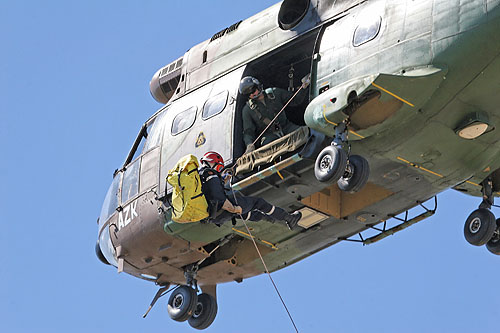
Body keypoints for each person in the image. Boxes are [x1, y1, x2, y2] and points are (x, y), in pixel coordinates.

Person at [199, 151, 302, 229]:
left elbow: (210, 192)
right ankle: (289, 218)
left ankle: (268, 217)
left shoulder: (200, 176)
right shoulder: (210, 174)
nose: (218, 170)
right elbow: (219, 197)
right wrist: (234, 208)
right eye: (219, 167)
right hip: (221, 209)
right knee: (258, 202)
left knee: (249, 213)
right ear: (212, 162)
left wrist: (223, 180)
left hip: (213, 216)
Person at [239, 75, 310, 153]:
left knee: (307, 133)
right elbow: (248, 131)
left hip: (287, 127)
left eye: (252, 91)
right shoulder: (247, 110)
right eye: (248, 94)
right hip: (269, 136)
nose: (252, 94)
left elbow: (295, 100)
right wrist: (249, 145)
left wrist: (304, 87)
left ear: (257, 86)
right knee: (268, 152)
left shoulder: (275, 92)